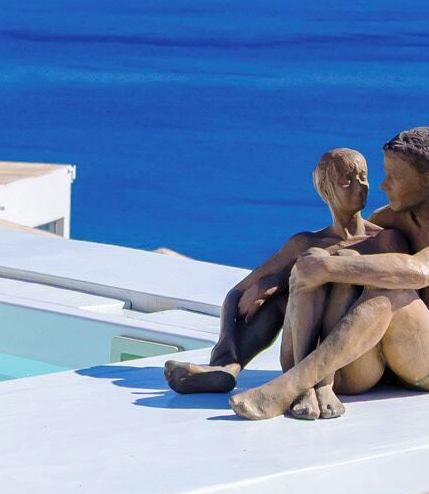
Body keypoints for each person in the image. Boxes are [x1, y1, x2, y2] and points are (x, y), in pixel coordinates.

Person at [225, 125, 429, 421]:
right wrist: (277, 280)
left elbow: (421, 271)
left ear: (427, 180)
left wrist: (328, 267)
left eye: (394, 177)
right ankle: (241, 368)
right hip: (386, 359)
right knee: (344, 261)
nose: (383, 186)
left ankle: (292, 385)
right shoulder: (391, 218)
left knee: (392, 291)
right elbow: (340, 251)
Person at [162, 148, 388, 395]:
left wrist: (278, 281)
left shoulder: (382, 240)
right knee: (278, 299)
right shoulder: (305, 243)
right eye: (346, 181)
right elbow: (238, 292)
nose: (360, 186)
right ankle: (226, 367)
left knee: (295, 283)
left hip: (353, 359)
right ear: (325, 190)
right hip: (301, 356)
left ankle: (301, 381)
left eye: (363, 177)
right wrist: (226, 339)